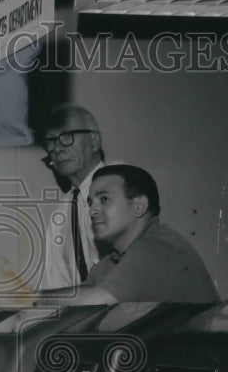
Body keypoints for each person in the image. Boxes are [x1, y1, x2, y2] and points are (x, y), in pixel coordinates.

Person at [35, 164, 218, 304]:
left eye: (104, 199)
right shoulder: (110, 263)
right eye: (91, 202)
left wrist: (26, 299)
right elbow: (75, 301)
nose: (92, 211)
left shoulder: (157, 248)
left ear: (139, 206)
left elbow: (96, 300)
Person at [40, 104, 104, 290]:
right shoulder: (62, 212)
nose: (57, 149)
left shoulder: (121, 193)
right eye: (51, 141)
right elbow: (56, 287)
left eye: (67, 137)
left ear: (94, 141)